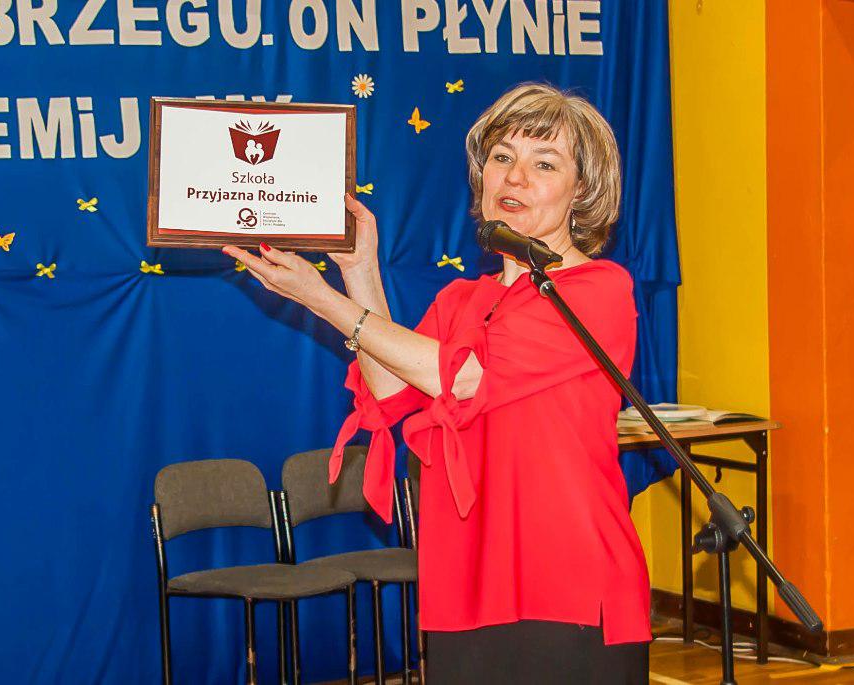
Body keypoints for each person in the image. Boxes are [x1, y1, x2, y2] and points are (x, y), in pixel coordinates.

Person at [223, 82, 651, 684]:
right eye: (502, 157)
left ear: (582, 190)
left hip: (567, 578)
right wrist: (360, 272)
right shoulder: (460, 299)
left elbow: (465, 377)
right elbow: (392, 390)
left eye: (544, 164)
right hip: (464, 577)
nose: (515, 177)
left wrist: (319, 300)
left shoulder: (596, 290)